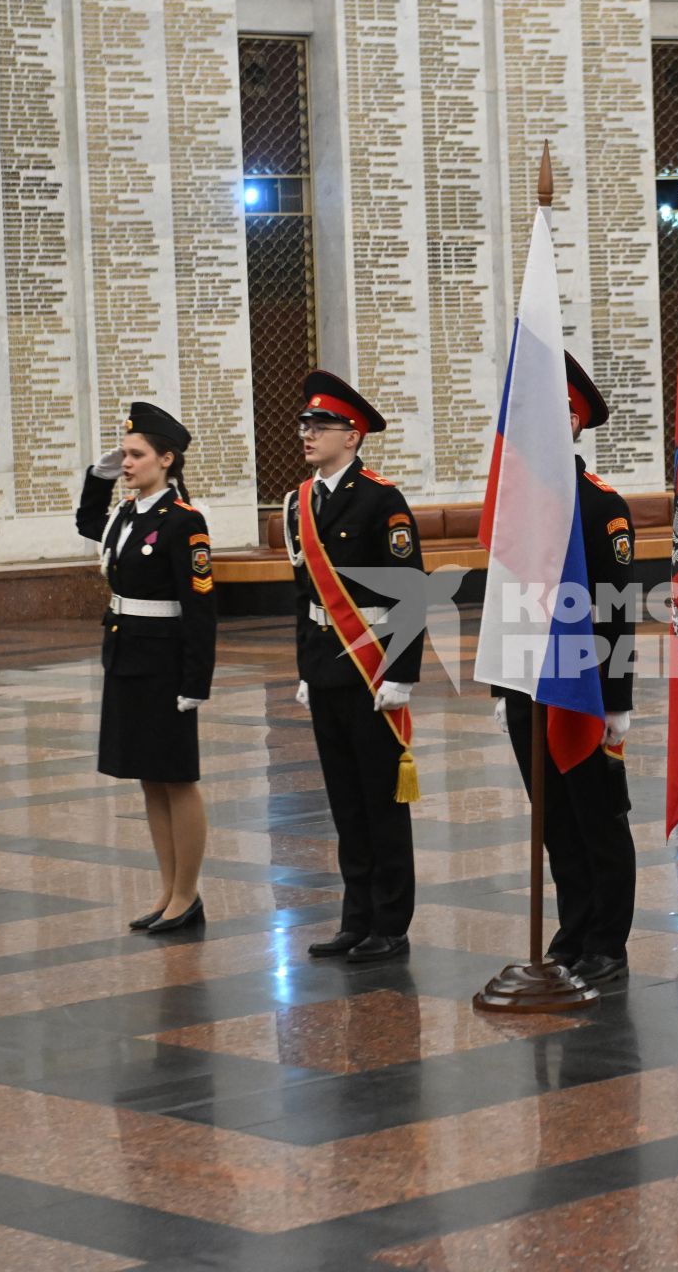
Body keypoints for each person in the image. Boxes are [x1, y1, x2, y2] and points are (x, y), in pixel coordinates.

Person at [494, 354, 637, 984]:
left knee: (597, 820)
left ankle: (608, 939)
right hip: (530, 681)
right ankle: (573, 928)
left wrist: (618, 699)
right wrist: (504, 683)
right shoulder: (518, 504)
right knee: (554, 820)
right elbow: (507, 593)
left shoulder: (601, 505)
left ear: (572, 421)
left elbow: (615, 611)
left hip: (584, 687)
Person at [285, 370, 428, 963]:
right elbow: (304, 593)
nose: (308, 434)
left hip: (372, 668)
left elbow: (410, 594)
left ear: (354, 434)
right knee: (344, 800)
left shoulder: (380, 499)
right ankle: (355, 916)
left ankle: (390, 922)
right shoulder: (301, 500)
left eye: (321, 426)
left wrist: (401, 674)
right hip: (327, 665)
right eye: (306, 425)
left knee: (380, 801)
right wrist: (304, 666)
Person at [76, 402, 216, 934]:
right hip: (127, 655)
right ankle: (166, 890)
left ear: (166, 459)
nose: (127, 463)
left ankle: (187, 894)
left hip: (164, 663)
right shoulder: (126, 514)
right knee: (148, 781)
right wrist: (99, 476)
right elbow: (89, 521)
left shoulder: (184, 522)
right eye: (125, 455)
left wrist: (195, 681)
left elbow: (200, 607)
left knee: (177, 778)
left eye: (136, 455)